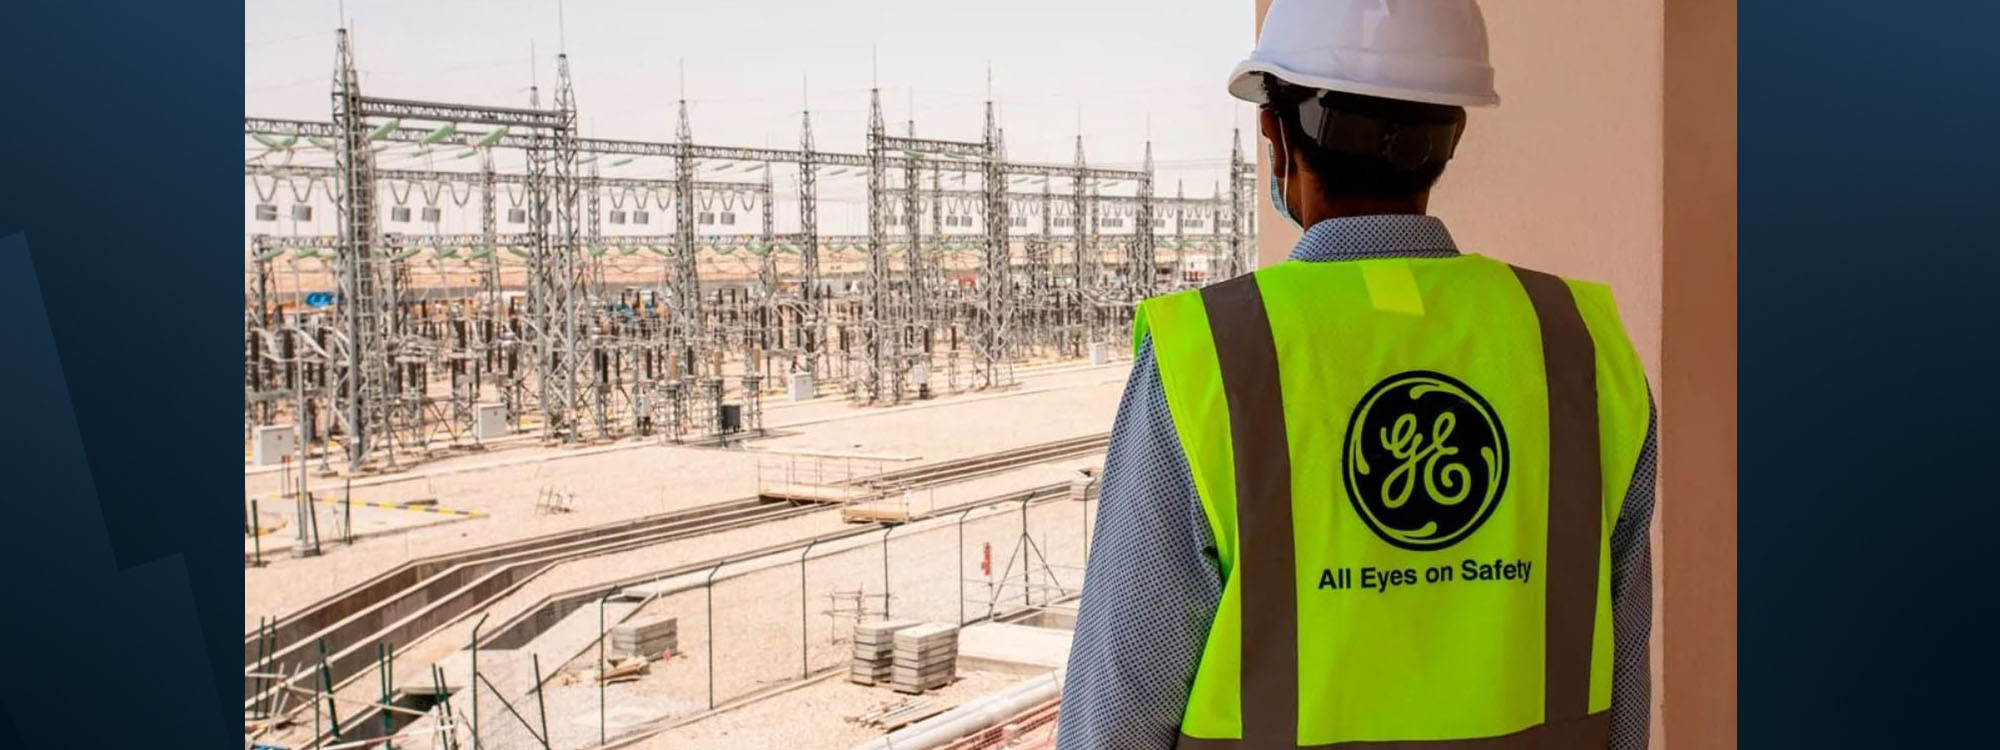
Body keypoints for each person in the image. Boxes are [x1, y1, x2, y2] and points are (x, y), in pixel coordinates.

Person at [1054, 1, 1657, 748]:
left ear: (1276, 137)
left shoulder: (1211, 355)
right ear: (1453, 132)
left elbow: (1119, 701)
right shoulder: (1579, 345)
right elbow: (1624, 667)